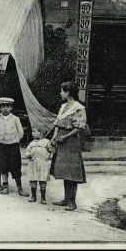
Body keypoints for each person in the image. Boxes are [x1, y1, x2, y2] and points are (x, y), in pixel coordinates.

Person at [49, 81, 87, 211]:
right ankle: (66, 199)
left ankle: (72, 202)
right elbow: (57, 124)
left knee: (72, 173)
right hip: (61, 140)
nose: (60, 93)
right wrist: (54, 137)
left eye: (62, 91)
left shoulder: (79, 108)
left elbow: (79, 127)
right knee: (65, 171)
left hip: (70, 141)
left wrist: (65, 137)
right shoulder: (63, 107)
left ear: (68, 92)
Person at [0, 97, 27, 196]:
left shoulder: (15, 119)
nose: (5, 109)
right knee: (3, 165)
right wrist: (0, 139)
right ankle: (5, 185)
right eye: (3, 106)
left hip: (13, 146)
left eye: (7, 106)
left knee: (15, 165)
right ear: (0, 107)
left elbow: (21, 132)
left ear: (11, 108)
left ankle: (19, 187)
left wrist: (15, 140)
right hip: (1, 146)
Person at [25, 127, 53, 204]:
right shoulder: (32, 143)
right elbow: (27, 150)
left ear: (40, 133)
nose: (32, 133)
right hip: (33, 163)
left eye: (34, 131)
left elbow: (52, 150)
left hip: (43, 163)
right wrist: (28, 154)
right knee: (33, 179)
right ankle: (33, 196)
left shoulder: (46, 142)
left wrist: (52, 146)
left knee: (42, 180)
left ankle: (43, 198)